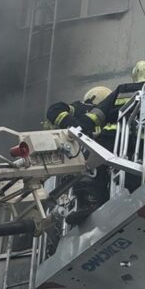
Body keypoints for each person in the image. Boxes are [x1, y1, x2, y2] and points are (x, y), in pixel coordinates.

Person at [46, 86, 112, 226]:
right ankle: (88, 204)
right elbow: (55, 110)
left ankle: (86, 205)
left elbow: (53, 110)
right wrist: (78, 129)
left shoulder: (107, 115)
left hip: (92, 160)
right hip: (86, 158)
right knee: (89, 177)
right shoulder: (82, 108)